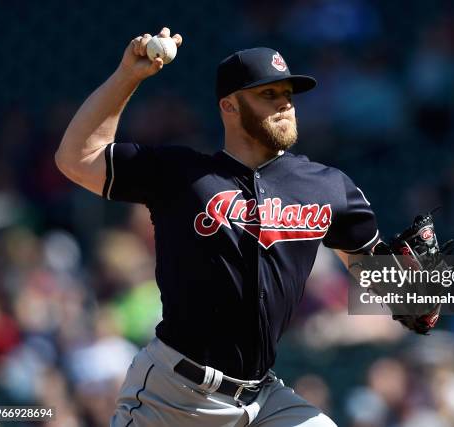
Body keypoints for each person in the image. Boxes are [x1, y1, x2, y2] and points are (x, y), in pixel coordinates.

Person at [55, 27, 382, 427]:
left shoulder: (327, 186)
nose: (284, 105)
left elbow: (389, 281)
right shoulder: (182, 174)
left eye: (287, 95)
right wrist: (129, 75)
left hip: (264, 397)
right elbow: (77, 157)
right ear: (229, 106)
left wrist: (427, 294)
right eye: (268, 95)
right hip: (175, 395)